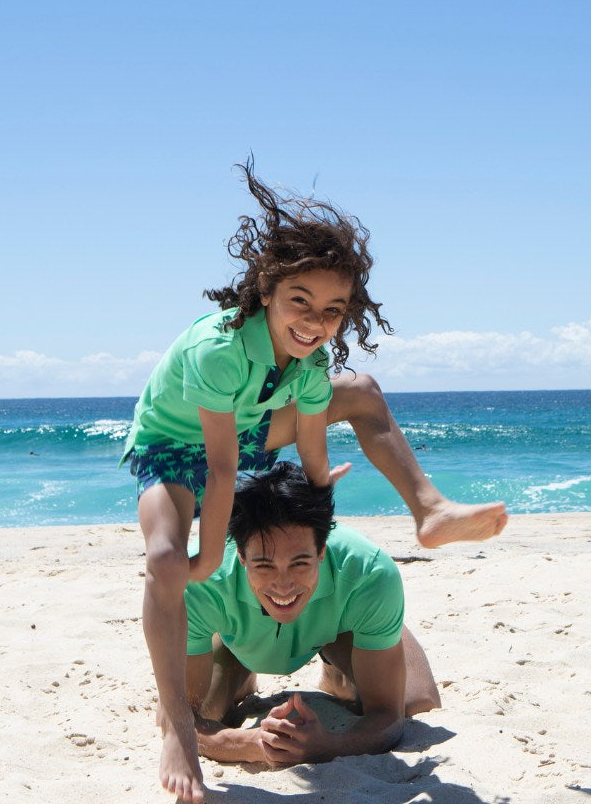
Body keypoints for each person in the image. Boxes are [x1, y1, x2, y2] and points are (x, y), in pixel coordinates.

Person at [122, 160, 505, 799]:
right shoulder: (218, 349)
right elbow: (219, 470)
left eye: (332, 310)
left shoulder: (311, 358)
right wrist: (210, 553)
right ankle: (179, 733)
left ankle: (430, 508)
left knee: (359, 392)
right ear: (267, 290)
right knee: (165, 560)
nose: (315, 319)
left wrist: (322, 483)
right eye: (300, 301)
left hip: (245, 429)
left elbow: (306, 434)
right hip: (173, 445)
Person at [182, 462, 440, 789]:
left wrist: (326, 746)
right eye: (263, 565)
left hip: (336, 629)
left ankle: (341, 671)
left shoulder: (370, 572)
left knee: (416, 703)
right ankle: (241, 673)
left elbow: (388, 717)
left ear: (321, 550)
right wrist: (248, 744)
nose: (283, 584)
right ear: (242, 557)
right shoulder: (198, 579)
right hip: (236, 637)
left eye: (299, 562)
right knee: (206, 713)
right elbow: (176, 719)